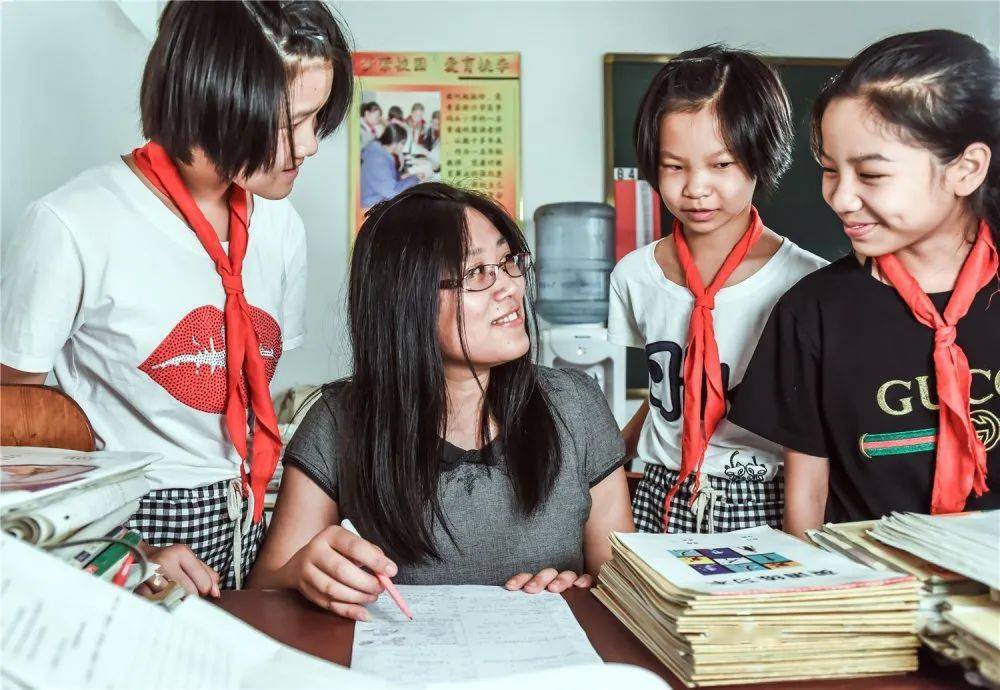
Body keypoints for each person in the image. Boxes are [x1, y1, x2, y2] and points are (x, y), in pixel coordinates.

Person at [0, 1, 353, 594]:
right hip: (121, 530)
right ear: (212, 99)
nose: (312, 144)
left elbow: (247, 401)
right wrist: (120, 555)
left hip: (245, 517)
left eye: (320, 118)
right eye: (293, 121)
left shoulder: (281, 225)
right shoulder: (72, 224)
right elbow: (12, 442)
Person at [248, 183, 634, 620]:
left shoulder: (576, 406)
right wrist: (306, 572)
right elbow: (266, 590)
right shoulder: (339, 421)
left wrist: (581, 587)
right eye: (476, 273)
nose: (509, 286)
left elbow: (623, 584)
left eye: (508, 262)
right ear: (406, 300)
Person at [729, 30, 1000, 538]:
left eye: (871, 175)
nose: (841, 198)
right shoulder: (813, 312)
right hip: (868, 595)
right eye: (831, 171)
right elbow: (806, 497)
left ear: (966, 169)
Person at [608, 45, 826, 534]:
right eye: (675, 166)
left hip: (764, 495)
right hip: (658, 493)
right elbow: (669, 390)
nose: (696, 188)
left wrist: (803, 551)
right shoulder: (634, 275)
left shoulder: (809, 283)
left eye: (721, 165)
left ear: (760, 156)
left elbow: (811, 436)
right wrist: (606, 462)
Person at [360, 123, 422, 207]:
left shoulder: (381, 153)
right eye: (403, 143)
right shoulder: (377, 159)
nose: (403, 147)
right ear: (395, 143)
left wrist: (402, 177)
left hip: (379, 200)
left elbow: (388, 179)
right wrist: (415, 178)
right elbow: (393, 193)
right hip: (372, 206)